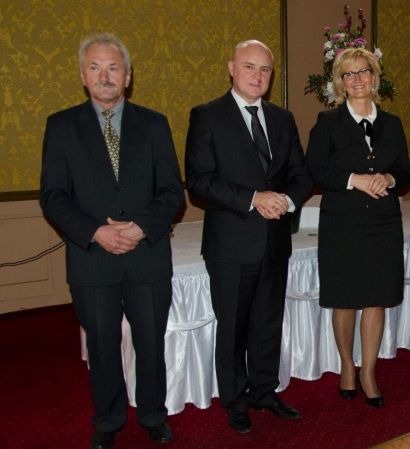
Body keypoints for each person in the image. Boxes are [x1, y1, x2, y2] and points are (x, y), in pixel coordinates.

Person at [40, 33, 184, 449]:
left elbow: (172, 192)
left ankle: (153, 415)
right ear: (83, 76)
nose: (105, 76)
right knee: (102, 346)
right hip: (93, 259)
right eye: (95, 67)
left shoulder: (154, 124)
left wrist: (141, 227)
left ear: (128, 76)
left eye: (113, 67)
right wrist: (95, 232)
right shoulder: (61, 126)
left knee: (150, 342)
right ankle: (107, 420)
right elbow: (53, 195)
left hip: (147, 255)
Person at [185, 40, 312, 433]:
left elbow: (301, 174)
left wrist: (285, 201)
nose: (258, 76)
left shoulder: (282, 119)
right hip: (231, 244)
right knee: (234, 328)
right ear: (231, 68)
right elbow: (199, 180)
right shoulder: (207, 116)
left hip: (275, 240)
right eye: (249, 67)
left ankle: (264, 391)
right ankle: (235, 400)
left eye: (265, 70)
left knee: (268, 324)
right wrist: (254, 199)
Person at [306, 48, 410, 408]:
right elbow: (314, 170)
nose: (357, 79)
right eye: (349, 74)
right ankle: (347, 366)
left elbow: (404, 172)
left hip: (383, 223)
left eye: (363, 71)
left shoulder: (392, 123)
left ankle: (369, 371)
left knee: (376, 298)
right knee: (346, 298)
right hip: (342, 223)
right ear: (340, 82)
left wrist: (388, 179)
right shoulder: (327, 122)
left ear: (375, 77)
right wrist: (354, 179)